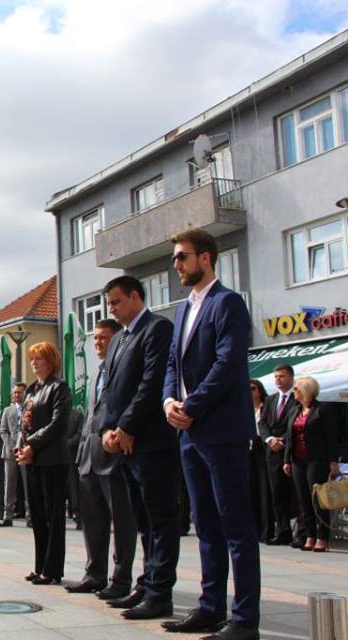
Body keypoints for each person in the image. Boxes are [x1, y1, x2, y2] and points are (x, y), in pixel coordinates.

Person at [162, 229, 260, 639]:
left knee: (236, 525)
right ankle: (209, 606)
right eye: (174, 258)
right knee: (205, 524)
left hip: (221, 431)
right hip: (189, 433)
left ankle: (244, 621)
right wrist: (169, 402)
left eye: (182, 257)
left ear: (205, 257)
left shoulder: (228, 303)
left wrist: (191, 405)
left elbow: (228, 363)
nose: (176, 264)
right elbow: (173, 364)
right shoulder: (185, 309)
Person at [99, 275, 179, 621]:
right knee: (142, 520)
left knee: (161, 520)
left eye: (116, 302)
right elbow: (109, 389)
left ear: (135, 296)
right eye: (109, 304)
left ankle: (161, 593)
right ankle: (146, 586)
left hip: (151, 441)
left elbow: (151, 383)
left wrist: (126, 426)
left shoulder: (157, 329)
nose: (111, 309)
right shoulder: (118, 341)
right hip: (125, 446)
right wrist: (107, 429)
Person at [65, 318, 138, 603]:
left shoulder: (124, 371)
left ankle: (120, 579)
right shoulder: (97, 372)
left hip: (113, 455)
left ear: (118, 340)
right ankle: (94, 573)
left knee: (122, 520)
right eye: (95, 338)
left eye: (104, 338)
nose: (98, 343)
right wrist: (82, 451)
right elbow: (90, 414)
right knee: (92, 520)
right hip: (89, 456)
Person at [16, 341, 71, 585]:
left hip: (52, 460)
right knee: (37, 515)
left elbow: (58, 425)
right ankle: (39, 566)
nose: (34, 363)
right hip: (33, 459)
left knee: (53, 515)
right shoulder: (31, 390)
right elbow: (24, 423)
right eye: (32, 359)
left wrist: (32, 445)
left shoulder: (59, 388)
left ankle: (52, 569)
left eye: (39, 358)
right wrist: (21, 446)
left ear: (51, 360)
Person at [284, 376, 340, 552]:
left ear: (305, 390)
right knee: (303, 499)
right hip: (298, 460)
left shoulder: (322, 410)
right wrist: (287, 460)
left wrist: (333, 461)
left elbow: (332, 438)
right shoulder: (295, 410)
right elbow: (289, 437)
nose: (293, 392)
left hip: (317, 459)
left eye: (296, 389)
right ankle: (310, 534)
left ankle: (323, 536)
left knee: (317, 498)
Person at [261, 364, 300, 547]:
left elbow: (298, 423)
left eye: (282, 376)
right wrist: (269, 439)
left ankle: (300, 533)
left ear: (291, 377)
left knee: (295, 493)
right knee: (277, 494)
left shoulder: (298, 397)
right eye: (276, 376)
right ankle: (282, 531)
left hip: (290, 451)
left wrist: (282, 440)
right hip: (272, 453)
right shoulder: (270, 399)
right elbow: (262, 424)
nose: (278, 379)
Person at [0, 383, 26, 526]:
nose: (17, 395)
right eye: (15, 393)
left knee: (29, 485)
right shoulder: (7, 411)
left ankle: (30, 516)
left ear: (24, 394)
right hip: (10, 453)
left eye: (19, 392)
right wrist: (11, 446)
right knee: (9, 485)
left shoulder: (30, 409)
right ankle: (7, 516)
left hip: (26, 452)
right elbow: (3, 430)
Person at [249, 379, 272, 543]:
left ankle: (267, 530)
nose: (250, 391)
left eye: (252, 388)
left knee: (265, 490)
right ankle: (254, 528)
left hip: (263, 448)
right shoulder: (244, 407)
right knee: (252, 489)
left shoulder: (266, 406)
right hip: (248, 448)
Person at [65, 408, 84, 529]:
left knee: (74, 488)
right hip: (56, 457)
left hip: (72, 456)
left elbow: (80, 433)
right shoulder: (53, 413)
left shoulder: (77, 415)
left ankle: (78, 517)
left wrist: (67, 443)